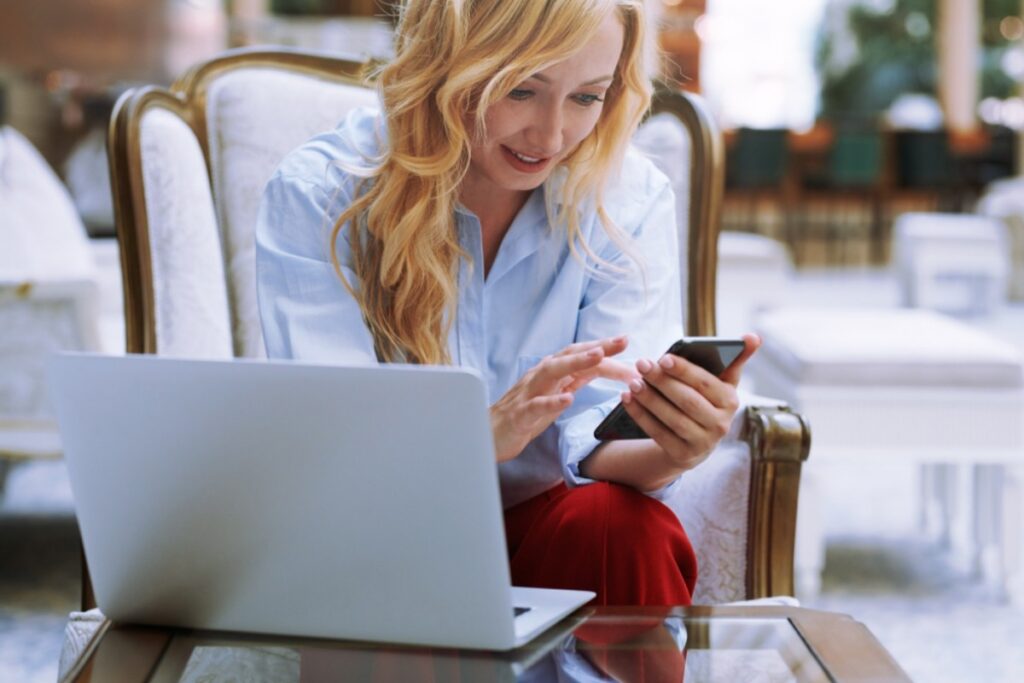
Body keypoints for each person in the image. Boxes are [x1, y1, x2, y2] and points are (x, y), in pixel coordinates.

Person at [256, 0, 759, 606]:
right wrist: (480, 435)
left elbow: (598, 436)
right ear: (448, 62)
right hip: (384, 527)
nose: (551, 137)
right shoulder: (322, 192)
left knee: (623, 526)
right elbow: (338, 458)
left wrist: (673, 448)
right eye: (521, 90)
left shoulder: (626, 197)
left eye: (587, 97)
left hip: (542, 529)